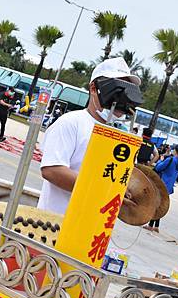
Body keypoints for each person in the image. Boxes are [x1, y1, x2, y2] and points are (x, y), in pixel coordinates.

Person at [38, 57, 142, 215]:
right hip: (57, 223)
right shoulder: (71, 122)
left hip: (94, 228)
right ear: (94, 88)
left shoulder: (120, 136)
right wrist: (102, 189)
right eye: (117, 90)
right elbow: (51, 170)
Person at [145, 143, 178, 233]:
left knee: (156, 204)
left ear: (176, 150)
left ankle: (150, 225)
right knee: (160, 205)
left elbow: (158, 168)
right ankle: (156, 226)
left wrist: (161, 160)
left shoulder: (171, 160)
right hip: (168, 187)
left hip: (161, 185)